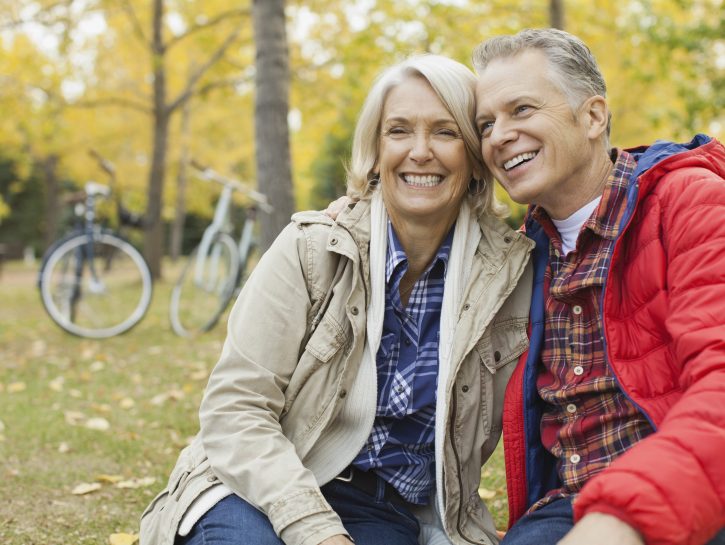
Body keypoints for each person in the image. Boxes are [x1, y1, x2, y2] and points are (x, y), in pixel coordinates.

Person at [139, 54, 535, 545]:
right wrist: (316, 532)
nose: (419, 151)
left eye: (445, 132)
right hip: (259, 482)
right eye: (398, 130)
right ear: (375, 149)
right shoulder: (311, 249)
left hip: (381, 509)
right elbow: (236, 408)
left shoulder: (507, 276)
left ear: (476, 157)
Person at [470, 28, 725, 545]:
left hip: (692, 490)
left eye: (521, 110)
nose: (498, 136)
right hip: (567, 507)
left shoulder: (691, 202)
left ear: (592, 116)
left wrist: (622, 519)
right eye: (486, 124)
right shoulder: (521, 255)